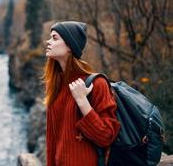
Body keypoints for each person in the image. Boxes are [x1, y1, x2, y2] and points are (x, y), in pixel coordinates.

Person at [43, 21, 120, 166]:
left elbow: (106, 136)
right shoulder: (55, 85)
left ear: (70, 46)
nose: (48, 41)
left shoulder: (96, 84)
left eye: (54, 38)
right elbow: (52, 140)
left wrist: (82, 101)